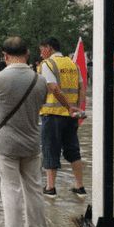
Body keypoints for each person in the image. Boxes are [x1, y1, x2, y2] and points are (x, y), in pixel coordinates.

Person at [0, 36, 48, 227]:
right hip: (32, 142)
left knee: (11, 189)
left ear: (5, 56)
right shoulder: (40, 80)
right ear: (27, 53)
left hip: (6, 144)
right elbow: (40, 104)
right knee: (34, 188)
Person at [38, 37, 86, 198]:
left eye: (41, 49)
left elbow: (53, 88)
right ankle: (80, 187)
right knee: (73, 150)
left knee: (50, 149)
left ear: (49, 48)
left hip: (53, 115)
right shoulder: (73, 64)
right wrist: (77, 109)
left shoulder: (47, 64)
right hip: (71, 116)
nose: (40, 53)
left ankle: (50, 188)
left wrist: (68, 106)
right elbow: (82, 88)